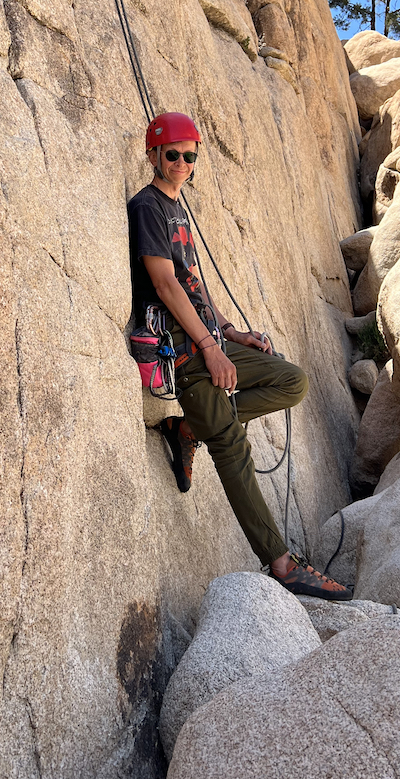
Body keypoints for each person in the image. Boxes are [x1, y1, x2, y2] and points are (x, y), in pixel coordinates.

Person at [127, 112, 352, 602]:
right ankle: (281, 563)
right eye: (173, 155)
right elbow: (165, 284)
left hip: (208, 338)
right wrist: (209, 349)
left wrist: (230, 332)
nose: (183, 164)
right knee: (231, 443)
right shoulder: (147, 207)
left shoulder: (178, 210)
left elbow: (192, 283)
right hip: (182, 352)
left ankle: (188, 428)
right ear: (152, 155)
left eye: (191, 156)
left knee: (291, 381)